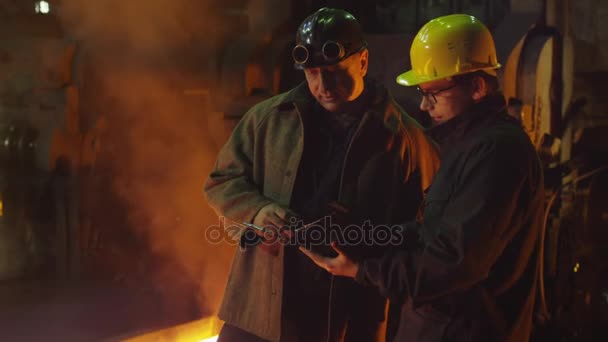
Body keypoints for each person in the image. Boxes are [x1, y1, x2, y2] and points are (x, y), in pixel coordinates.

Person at [300, 14, 545, 342]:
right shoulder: (468, 144)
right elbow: (432, 232)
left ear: (476, 87)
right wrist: (365, 238)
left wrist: (362, 271)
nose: (424, 105)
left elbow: (455, 262)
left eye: (434, 93)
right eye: (421, 92)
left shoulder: (497, 154)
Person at [204, 7, 439, 342]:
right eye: (312, 73)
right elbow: (221, 181)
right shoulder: (268, 120)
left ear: (362, 62)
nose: (322, 85)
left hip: (350, 310)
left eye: (334, 72)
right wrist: (258, 211)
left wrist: (366, 244)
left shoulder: (406, 140)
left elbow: (430, 229)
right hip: (261, 308)